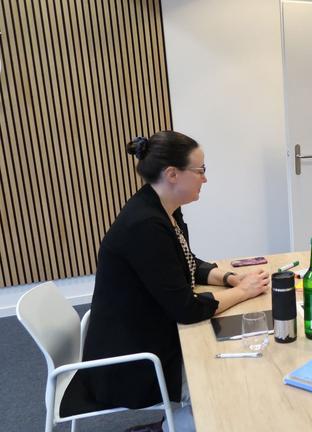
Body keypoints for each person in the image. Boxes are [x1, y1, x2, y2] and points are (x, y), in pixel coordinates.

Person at [64, 131, 270, 432]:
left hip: (148, 336)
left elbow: (188, 263)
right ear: (172, 174)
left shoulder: (162, 208)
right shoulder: (145, 225)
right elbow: (187, 309)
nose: (205, 179)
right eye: (200, 171)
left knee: (239, 355)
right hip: (132, 365)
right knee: (233, 381)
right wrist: (243, 291)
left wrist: (230, 278)